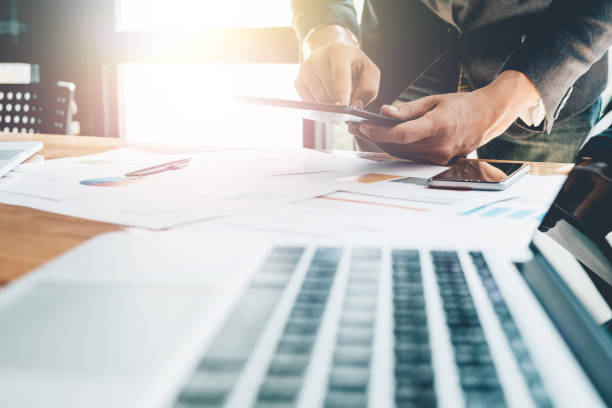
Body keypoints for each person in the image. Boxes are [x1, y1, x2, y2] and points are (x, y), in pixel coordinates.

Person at [291, 0, 612, 164]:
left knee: (529, 251)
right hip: (399, 64)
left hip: (546, 73)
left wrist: (505, 99)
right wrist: (325, 31)